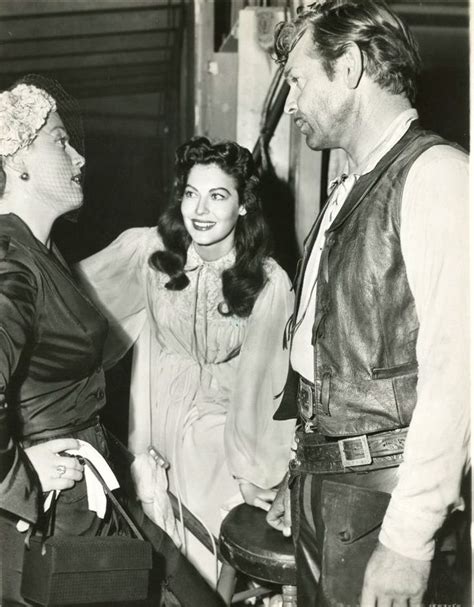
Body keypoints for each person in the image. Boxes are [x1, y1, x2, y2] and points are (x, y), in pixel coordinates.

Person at [265, 1, 470, 606]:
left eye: (299, 80)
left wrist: (408, 541)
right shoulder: (350, 186)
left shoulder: (438, 177)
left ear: (349, 65)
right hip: (331, 485)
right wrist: (304, 473)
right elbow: (324, 357)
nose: (293, 102)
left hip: (383, 500)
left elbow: (460, 375)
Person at [0, 75, 225, 607]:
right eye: (59, 140)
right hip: (56, 517)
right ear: (17, 161)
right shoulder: (12, 260)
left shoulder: (40, 250)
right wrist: (19, 473)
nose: (78, 157)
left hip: (91, 486)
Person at [77, 136, 296, 583]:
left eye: (218, 196)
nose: (200, 210)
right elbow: (69, 300)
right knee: (153, 566)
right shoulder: (150, 252)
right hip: (153, 427)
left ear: (244, 206)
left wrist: (255, 474)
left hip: (224, 438)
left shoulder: (269, 282)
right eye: (192, 194)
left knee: (205, 569)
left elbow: (267, 383)